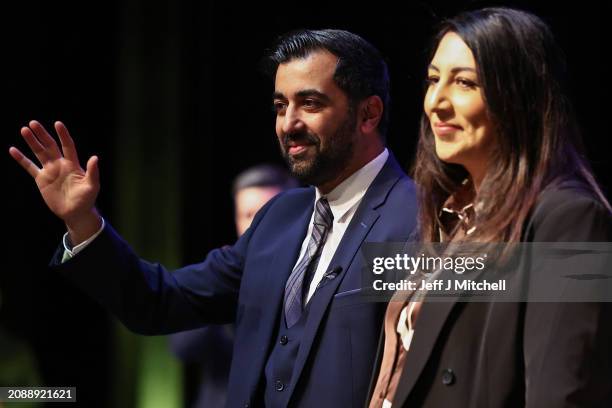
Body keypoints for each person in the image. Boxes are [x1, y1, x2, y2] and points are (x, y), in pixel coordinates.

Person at [9, 29, 418, 407]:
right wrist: (83, 220)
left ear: (368, 114)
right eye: (280, 106)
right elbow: (160, 302)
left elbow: (459, 366)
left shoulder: (424, 218)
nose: (288, 124)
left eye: (309, 103)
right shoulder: (279, 218)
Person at [367, 8, 612, 408]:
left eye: (464, 82)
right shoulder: (450, 214)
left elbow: (564, 396)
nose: (436, 102)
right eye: (433, 80)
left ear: (519, 96)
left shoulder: (570, 218)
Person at [169, 164, 297, 408]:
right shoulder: (223, 270)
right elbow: (182, 348)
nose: (255, 226)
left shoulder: (310, 269)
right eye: (248, 215)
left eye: (265, 214)